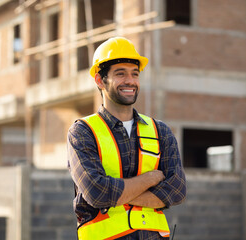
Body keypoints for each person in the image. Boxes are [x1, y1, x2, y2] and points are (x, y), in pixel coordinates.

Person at [67, 37, 186, 240]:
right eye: (120, 74)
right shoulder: (83, 132)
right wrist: (150, 179)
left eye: (134, 74)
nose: (130, 81)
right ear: (99, 80)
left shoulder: (161, 132)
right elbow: (97, 193)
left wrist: (116, 195)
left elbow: (176, 190)